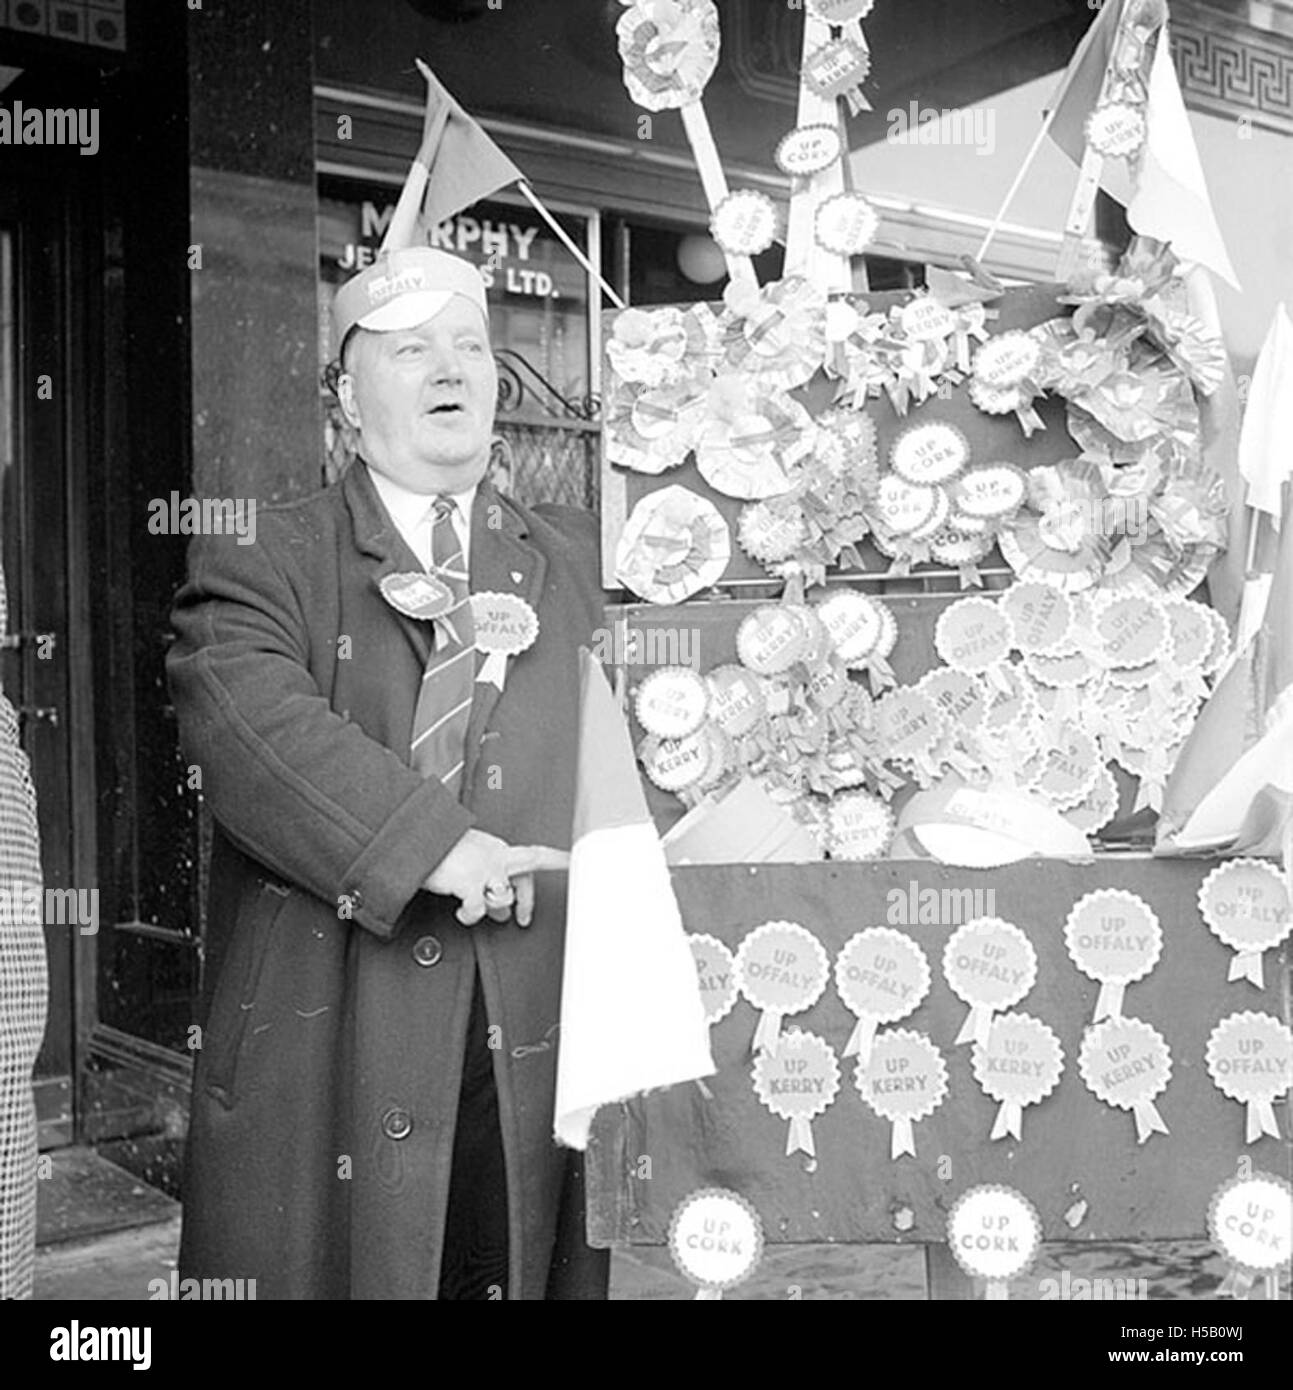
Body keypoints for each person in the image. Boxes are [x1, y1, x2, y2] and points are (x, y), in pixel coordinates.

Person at [167, 241, 609, 1299]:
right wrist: (435, 843)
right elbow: (248, 727)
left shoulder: (584, 558)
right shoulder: (266, 552)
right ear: (346, 404)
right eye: (411, 351)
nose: (451, 369)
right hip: (333, 1047)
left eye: (469, 345)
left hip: (531, 1040)